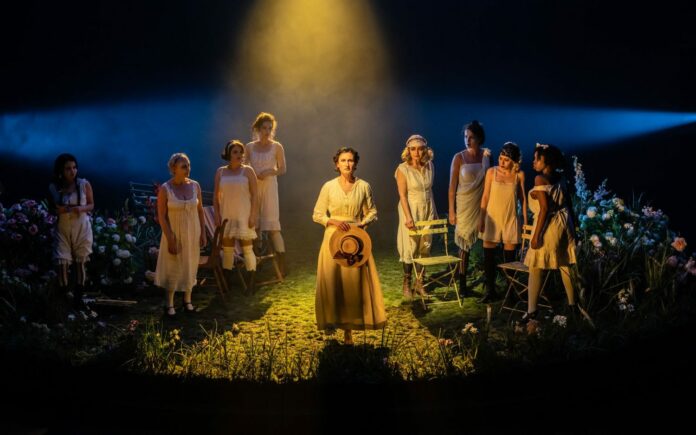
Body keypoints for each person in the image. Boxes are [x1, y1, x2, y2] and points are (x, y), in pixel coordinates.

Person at [313, 147, 386, 345]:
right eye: (343, 160)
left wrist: (362, 224)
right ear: (337, 164)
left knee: (352, 283)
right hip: (333, 238)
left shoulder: (364, 186)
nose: (347, 164)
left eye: (351, 160)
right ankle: (331, 321)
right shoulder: (328, 186)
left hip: (355, 238)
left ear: (355, 163)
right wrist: (334, 222)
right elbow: (318, 214)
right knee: (333, 281)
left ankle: (349, 331)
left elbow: (372, 211)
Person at [522, 143, 578, 322]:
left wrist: (536, 236)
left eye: (537, 159)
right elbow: (568, 202)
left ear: (547, 161)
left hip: (551, 224)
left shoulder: (540, 179)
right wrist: (574, 228)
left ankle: (532, 311)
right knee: (564, 263)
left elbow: (544, 209)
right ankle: (573, 306)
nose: (534, 162)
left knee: (536, 266)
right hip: (565, 222)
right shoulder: (560, 177)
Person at [154, 153, 207, 317]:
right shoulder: (166, 189)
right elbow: (161, 216)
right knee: (174, 265)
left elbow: (200, 211)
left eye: (188, 165)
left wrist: (203, 232)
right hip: (174, 232)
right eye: (184, 166)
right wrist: (170, 238)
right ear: (174, 169)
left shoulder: (195, 186)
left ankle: (187, 300)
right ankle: (169, 304)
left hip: (193, 231)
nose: (187, 169)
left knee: (191, 263)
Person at [478, 142, 527, 302]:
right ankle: (490, 291)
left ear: (514, 161)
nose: (502, 162)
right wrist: (481, 218)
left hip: (510, 218)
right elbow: (485, 196)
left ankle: (510, 292)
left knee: (510, 259)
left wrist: (525, 221)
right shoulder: (492, 172)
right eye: (500, 158)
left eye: (506, 160)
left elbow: (523, 199)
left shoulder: (519, 175)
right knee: (489, 258)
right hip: (492, 219)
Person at [448, 120, 491, 297]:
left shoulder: (486, 156)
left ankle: (489, 284)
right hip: (464, 205)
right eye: (466, 137)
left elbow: (490, 181)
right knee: (464, 245)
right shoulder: (459, 158)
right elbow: (452, 188)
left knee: (487, 243)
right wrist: (452, 211)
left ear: (479, 138)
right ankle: (463, 284)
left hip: (482, 204)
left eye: (471, 137)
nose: (467, 140)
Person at [48, 153, 95, 314]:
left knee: (80, 262)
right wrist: (63, 209)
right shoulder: (54, 187)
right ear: (61, 170)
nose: (72, 171)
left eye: (74, 168)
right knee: (62, 262)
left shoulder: (84, 184)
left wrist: (80, 208)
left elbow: (91, 204)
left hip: (81, 227)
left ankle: (78, 300)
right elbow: (53, 208)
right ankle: (63, 300)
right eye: (68, 168)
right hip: (63, 227)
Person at [395, 134, 437, 299]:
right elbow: (402, 195)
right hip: (411, 209)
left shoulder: (429, 166)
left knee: (425, 246)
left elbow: (429, 190)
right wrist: (408, 217)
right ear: (408, 150)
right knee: (410, 246)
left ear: (425, 150)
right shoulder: (402, 169)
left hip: (427, 208)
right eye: (413, 149)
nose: (417, 152)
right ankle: (407, 282)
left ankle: (420, 283)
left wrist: (434, 211)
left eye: (420, 149)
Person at [214, 140, 259, 292]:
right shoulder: (220, 172)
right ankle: (228, 283)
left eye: (241, 152)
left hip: (243, 215)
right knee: (227, 250)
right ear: (228, 154)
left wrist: (253, 215)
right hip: (227, 215)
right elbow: (215, 196)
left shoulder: (248, 171)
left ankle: (251, 282)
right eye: (235, 152)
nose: (239, 155)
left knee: (247, 249)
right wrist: (217, 215)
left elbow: (255, 195)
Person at [246, 112, 288, 275]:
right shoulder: (249, 147)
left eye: (270, 128)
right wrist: (252, 175)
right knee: (255, 225)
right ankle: (257, 263)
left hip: (270, 187)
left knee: (272, 226)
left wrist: (271, 171)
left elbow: (283, 169)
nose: (267, 131)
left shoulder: (277, 146)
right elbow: (244, 167)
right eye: (264, 128)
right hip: (254, 187)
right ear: (258, 129)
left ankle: (282, 263)